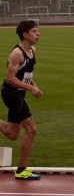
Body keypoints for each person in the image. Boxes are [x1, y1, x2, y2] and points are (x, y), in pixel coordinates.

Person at [0, 20, 42, 180]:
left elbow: (25, 74)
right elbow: (9, 78)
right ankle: (21, 170)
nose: (38, 34)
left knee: (11, 134)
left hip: (20, 93)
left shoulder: (32, 50)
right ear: (25, 34)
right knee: (31, 129)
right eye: (34, 31)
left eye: (37, 31)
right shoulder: (17, 54)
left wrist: (34, 85)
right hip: (11, 93)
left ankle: (21, 170)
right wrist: (30, 88)